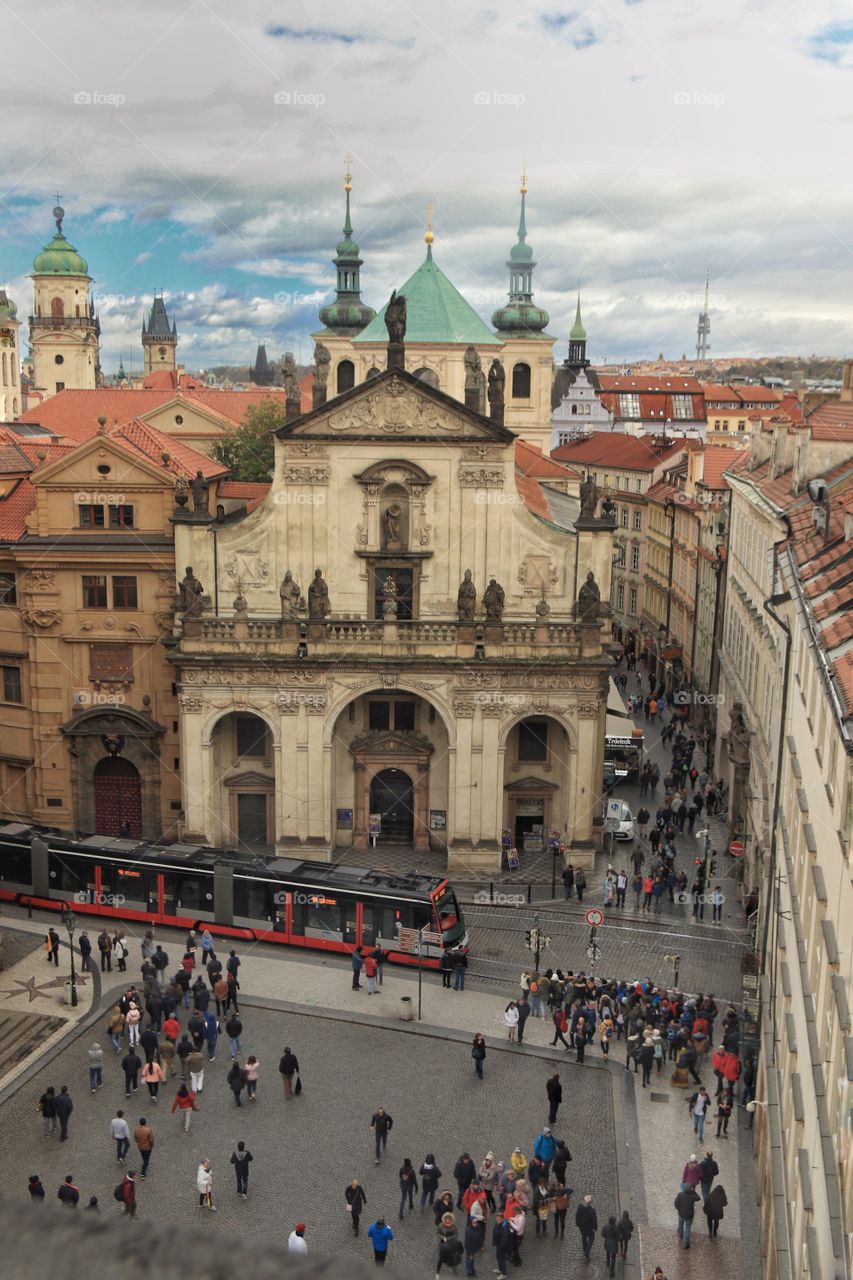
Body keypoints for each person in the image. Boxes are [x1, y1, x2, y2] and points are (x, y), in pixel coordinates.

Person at [575, 1193, 598, 1260]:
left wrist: (577, 1224)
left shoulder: (579, 1207)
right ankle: (587, 1251)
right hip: (590, 1228)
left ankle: (584, 1248)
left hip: (582, 1227)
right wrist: (595, 1228)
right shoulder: (592, 1211)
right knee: (591, 1238)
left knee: (583, 1236)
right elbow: (594, 1220)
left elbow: (577, 1216)